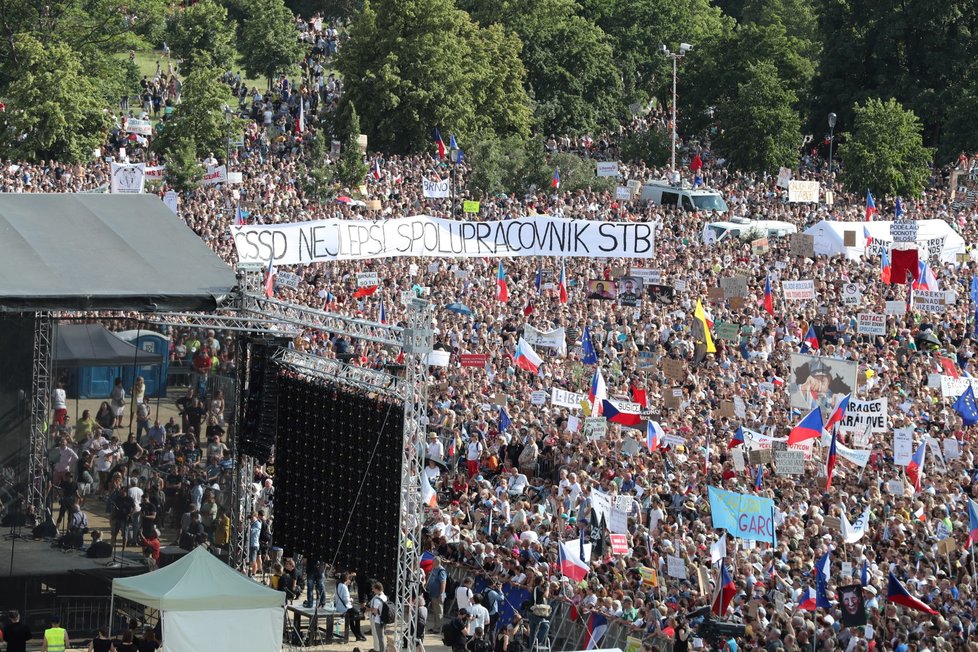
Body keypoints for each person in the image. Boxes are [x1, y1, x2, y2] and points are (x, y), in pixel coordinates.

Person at [334, 572, 367, 641]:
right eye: (350, 580)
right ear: (347, 580)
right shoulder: (344, 587)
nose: (351, 581)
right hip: (345, 607)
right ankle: (358, 633)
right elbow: (346, 600)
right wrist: (351, 599)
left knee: (352, 618)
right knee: (358, 615)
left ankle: (358, 635)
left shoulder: (338, 585)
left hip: (339, 606)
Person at [426, 556, 447, 632]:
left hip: (438, 594)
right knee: (435, 611)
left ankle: (439, 628)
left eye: (433, 562)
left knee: (439, 611)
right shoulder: (434, 569)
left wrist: (441, 594)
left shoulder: (441, 571)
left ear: (436, 562)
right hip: (433, 593)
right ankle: (436, 626)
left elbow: (443, 583)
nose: (432, 563)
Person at [367, 581, 388, 652]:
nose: (372, 590)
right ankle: (380, 649)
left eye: (373, 589)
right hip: (383, 619)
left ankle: (379, 649)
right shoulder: (384, 596)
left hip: (377, 619)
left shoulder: (377, 599)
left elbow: (375, 611)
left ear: (377, 589)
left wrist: (368, 609)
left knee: (378, 636)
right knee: (381, 636)